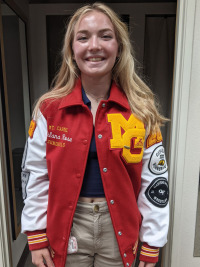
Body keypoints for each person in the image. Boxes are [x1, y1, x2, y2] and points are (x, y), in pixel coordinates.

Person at [21, 2, 169, 267]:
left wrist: (152, 242)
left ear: (119, 47)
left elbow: (154, 181)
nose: (94, 46)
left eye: (105, 35)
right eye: (83, 37)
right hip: (67, 224)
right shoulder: (49, 110)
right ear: (72, 50)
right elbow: (35, 175)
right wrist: (36, 234)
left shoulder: (140, 111)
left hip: (119, 226)